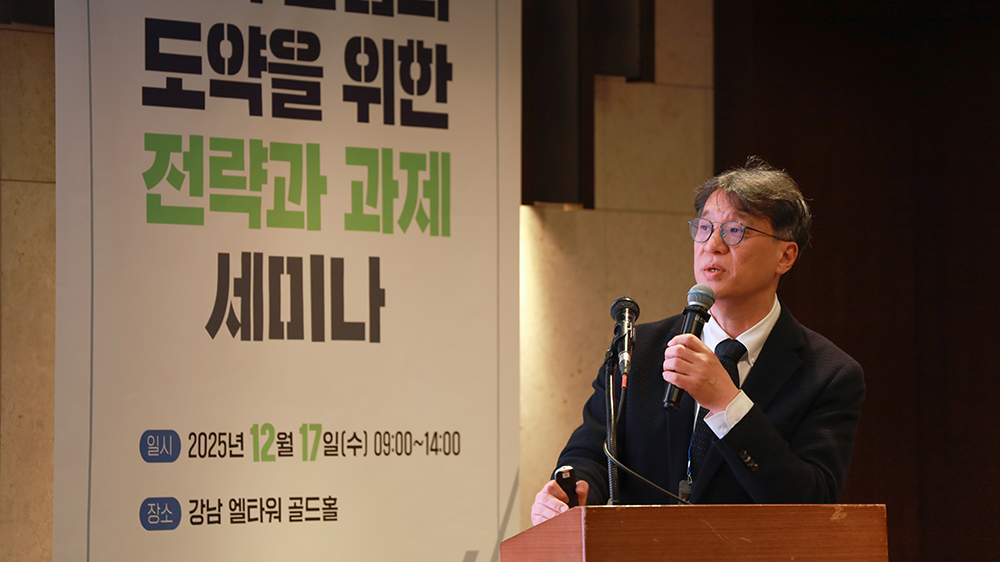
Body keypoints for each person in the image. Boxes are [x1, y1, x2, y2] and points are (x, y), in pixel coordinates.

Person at [531, 158, 865, 525]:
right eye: (704, 227)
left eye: (735, 230)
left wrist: (727, 404)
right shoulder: (640, 349)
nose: (713, 245)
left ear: (785, 256)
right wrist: (573, 490)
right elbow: (592, 454)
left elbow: (813, 501)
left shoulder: (829, 374)